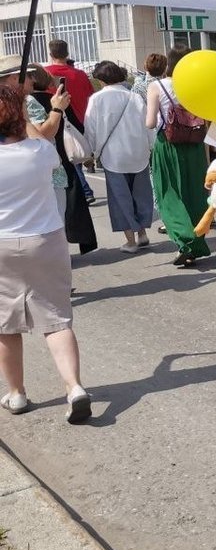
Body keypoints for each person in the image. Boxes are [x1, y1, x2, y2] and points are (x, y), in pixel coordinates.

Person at [0, 83, 91, 423]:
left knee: (6, 325)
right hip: (45, 239)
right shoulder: (39, 152)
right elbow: (41, 137)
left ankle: (17, 393)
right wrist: (25, 111)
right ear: (19, 118)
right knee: (55, 318)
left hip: (2, 243)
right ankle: (75, 387)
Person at [145, 46, 211, 267]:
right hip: (194, 146)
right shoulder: (197, 86)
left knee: (169, 194)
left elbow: (150, 123)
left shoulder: (157, 86)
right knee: (195, 193)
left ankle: (185, 241)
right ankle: (196, 243)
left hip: (168, 144)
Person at [27, 67, 97, 255]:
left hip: (45, 160)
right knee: (63, 208)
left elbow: (40, 134)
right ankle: (62, 250)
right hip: (60, 156)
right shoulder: (53, 100)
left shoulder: (31, 102)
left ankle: (56, 253)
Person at [85, 61, 154, 254]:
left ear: (100, 79)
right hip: (138, 153)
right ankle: (142, 234)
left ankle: (130, 241)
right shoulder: (134, 97)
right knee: (140, 195)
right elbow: (148, 125)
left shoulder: (97, 99)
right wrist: (150, 146)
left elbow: (90, 129)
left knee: (120, 199)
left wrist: (90, 152)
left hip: (113, 156)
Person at [44, 39, 96, 203]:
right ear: (67, 54)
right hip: (80, 122)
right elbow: (90, 96)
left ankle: (84, 191)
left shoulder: (45, 74)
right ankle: (84, 190)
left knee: (68, 160)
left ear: (51, 54)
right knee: (75, 157)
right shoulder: (80, 74)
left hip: (58, 122)